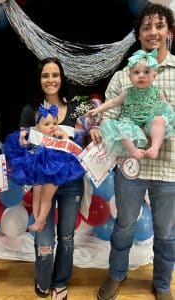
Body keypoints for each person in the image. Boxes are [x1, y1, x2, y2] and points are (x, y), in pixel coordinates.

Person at [91, 4, 175, 300]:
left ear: (169, 32)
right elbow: (108, 116)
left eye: (159, 26)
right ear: (138, 34)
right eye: (147, 27)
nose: (153, 32)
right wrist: (105, 126)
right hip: (131, 168)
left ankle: (163, 284)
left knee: (166, 233)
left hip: (168, 168)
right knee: (124, 225)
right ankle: (116, 274)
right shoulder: (124, 75)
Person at [17, 57, 93, 300]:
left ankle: (61, 281)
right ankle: (43, 280)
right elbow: (22, 145)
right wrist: (33, 138)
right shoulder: (30, 110)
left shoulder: (76, 109)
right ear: (39, 80)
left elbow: (84, 144)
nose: (50, 80)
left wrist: (73, 135)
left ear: (62, 78)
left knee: (67, 237)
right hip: (42, 183)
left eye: (55, 75)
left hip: (71, 183)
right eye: (45, 75)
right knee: (45, 237)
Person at [4, 104, 85, 232]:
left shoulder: (59, 134)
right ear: (38, 127)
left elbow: (70, 145)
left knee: (46, 196)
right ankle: (37, 219)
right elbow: (26, 146)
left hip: (55, 168)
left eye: (54, 123)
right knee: (36, 194)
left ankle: (42, 219)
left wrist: (63, 136)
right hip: (38, 167)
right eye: (46, 124)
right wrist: (23, 142)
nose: (52, 126)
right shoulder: (35, 136)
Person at [87, 48, 175, 161]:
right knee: (122, 129)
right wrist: (98, 109)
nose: (141, 76)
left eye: (146, 72)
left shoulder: (158, 92)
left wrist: (162, 119)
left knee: (159, 120)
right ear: (130, 77)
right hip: (130, 120)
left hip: (149, 121)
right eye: (136, 72)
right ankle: (133, 150)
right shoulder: (127, 92)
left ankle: (154, 147)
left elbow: (165, 108)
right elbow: (113, 102)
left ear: (154, 75)